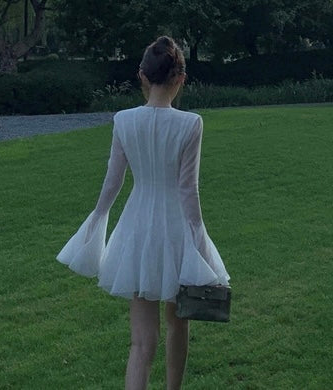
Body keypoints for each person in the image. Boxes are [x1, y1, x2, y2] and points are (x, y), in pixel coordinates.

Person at [57, 36, 229, 390]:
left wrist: (96, 219)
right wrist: (200, 244)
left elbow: (113, 180)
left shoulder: (124, 120)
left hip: (136, 229)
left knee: (140, 342)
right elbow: (188, 190)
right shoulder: (190, 123)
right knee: (178, 321)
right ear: (180, 78)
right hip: (176, 228)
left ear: (142, 76)